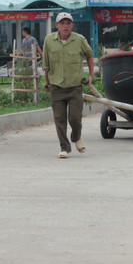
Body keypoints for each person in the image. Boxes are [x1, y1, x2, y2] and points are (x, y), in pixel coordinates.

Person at [42, 12, 95, 159]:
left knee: (75, 118)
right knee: (59, 119)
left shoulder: (79, 40)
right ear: (56, 25)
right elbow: (46, 63)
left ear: (72, 25)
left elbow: (89, 55)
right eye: (62, 23)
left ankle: (76, 137)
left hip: (74, 86)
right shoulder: (49, 40)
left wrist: (91, 75)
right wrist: (46, 81)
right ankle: (64, 148)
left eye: (68, 23)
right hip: (56, 86)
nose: (65, 26)